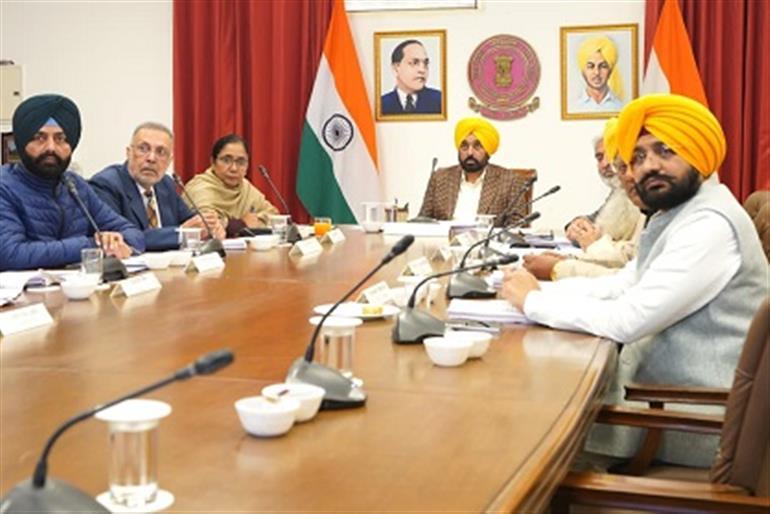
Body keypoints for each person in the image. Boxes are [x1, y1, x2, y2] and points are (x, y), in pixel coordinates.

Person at [502, 94, 767, 468]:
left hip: (695, 422)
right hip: (668, 400)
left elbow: (629, 320)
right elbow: (625, 284)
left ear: (698, 153)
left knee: (523, 436)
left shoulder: (709, 225)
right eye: (638, 156)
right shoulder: (683, 212)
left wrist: (534, 303)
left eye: (665, 150)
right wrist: (540, 289)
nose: (649, 166)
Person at [0, 94, 144, 270]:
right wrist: (92, 245)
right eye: (40, 137)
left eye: (60, 139)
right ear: (22, 143)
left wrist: (115, 241)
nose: (51, 148)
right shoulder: (4, 187)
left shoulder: (75, 185)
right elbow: (10, 254)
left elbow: (134, 234)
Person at [525, 124, 644, 280]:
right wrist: (576, 226)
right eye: (600, 157)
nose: (606, 164)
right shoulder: (619, 192)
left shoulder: (650, 199)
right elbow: (594, 221)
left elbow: (632, 261)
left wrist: (560, 267)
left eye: (613, 156)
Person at [90, 122, 225, 251]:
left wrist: (209, 225)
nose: (151, 158)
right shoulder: (106, 184)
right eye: (143, 149)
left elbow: (189, 220)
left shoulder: (166, 184)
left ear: (169, 161)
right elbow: (121, 237)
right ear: (128, 153)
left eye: (161, 152)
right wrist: (180, 233)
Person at [417, 118, 530, 226]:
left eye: (477, 146)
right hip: (444, 239)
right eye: (464, 146)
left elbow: (517, 226)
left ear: (487, 150)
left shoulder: (510, 181)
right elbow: (423, 221)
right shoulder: (440, 178)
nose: (470, 152)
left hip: (487, 240)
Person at [184, 134, 278, 237]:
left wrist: (253, 221)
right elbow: (207, 226)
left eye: (241, 162)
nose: (234, 168)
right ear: (213, 162)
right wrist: (241, 224)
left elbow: (274, 217)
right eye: (226, 160)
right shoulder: (200, 188)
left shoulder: (245, 188)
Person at [380, 39, 442, 115]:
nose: (422, 70)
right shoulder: (382, 104)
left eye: (425, 63)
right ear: (396, 68)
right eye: (414, 63)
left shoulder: (439, 100)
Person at [574, 35, 624, 112]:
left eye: (603, 66)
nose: (597, 72)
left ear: (610, 70)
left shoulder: (621, 107)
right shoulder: (574, 107)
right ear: (583, 71)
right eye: (591, 66)